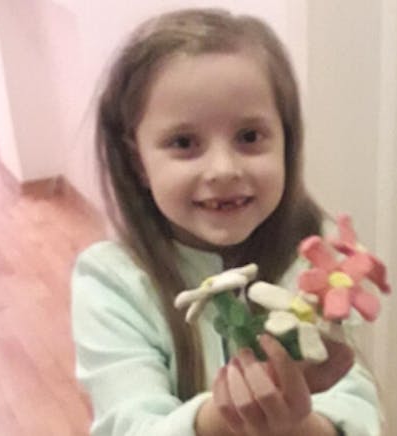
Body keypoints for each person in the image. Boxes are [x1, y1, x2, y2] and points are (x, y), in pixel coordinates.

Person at [71, 8, 381, 436]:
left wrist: (301, 425)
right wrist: (223, 417)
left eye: (249, 137)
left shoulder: (318, 259)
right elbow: (127, 423)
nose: (223, 169)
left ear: (286, 140)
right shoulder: (112, 282)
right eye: (184, 142)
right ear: (138, 161)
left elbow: (357, 405)